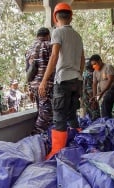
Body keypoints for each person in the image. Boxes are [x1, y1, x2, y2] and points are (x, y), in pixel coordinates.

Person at [38, 2, 85, 160]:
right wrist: (78, 74)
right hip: (76, 80)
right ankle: (79, 144)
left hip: (63, 80)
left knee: (59, 116)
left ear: (55, 18)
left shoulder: (57, 32)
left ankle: (56, 153)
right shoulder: (78, 36)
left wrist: (44, 80)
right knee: (72, 114)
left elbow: (54, 56)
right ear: (71, 17)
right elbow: (82, 59)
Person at [26, 27, 54, 135]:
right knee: (46, 116)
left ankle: (43, 140)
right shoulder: (49, 46)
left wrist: (29, 89)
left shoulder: (29, 49)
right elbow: (54, 66)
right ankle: (34, 137)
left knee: (41, 113)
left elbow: (27, 71)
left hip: (34, 87)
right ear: (48, 35)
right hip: (46, 87)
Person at [90, 54, 114, 118]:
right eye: (92, 65)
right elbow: (94, 84)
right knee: (104, 106)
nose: (94, 66)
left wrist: (101, 93)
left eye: (95, 64)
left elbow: (110, 81)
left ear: (100, 61)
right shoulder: (95, 72)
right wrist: (94, 98)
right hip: (105, 92)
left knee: (105, 102)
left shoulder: (108, 67)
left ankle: (106, 121)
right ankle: (108, 121)